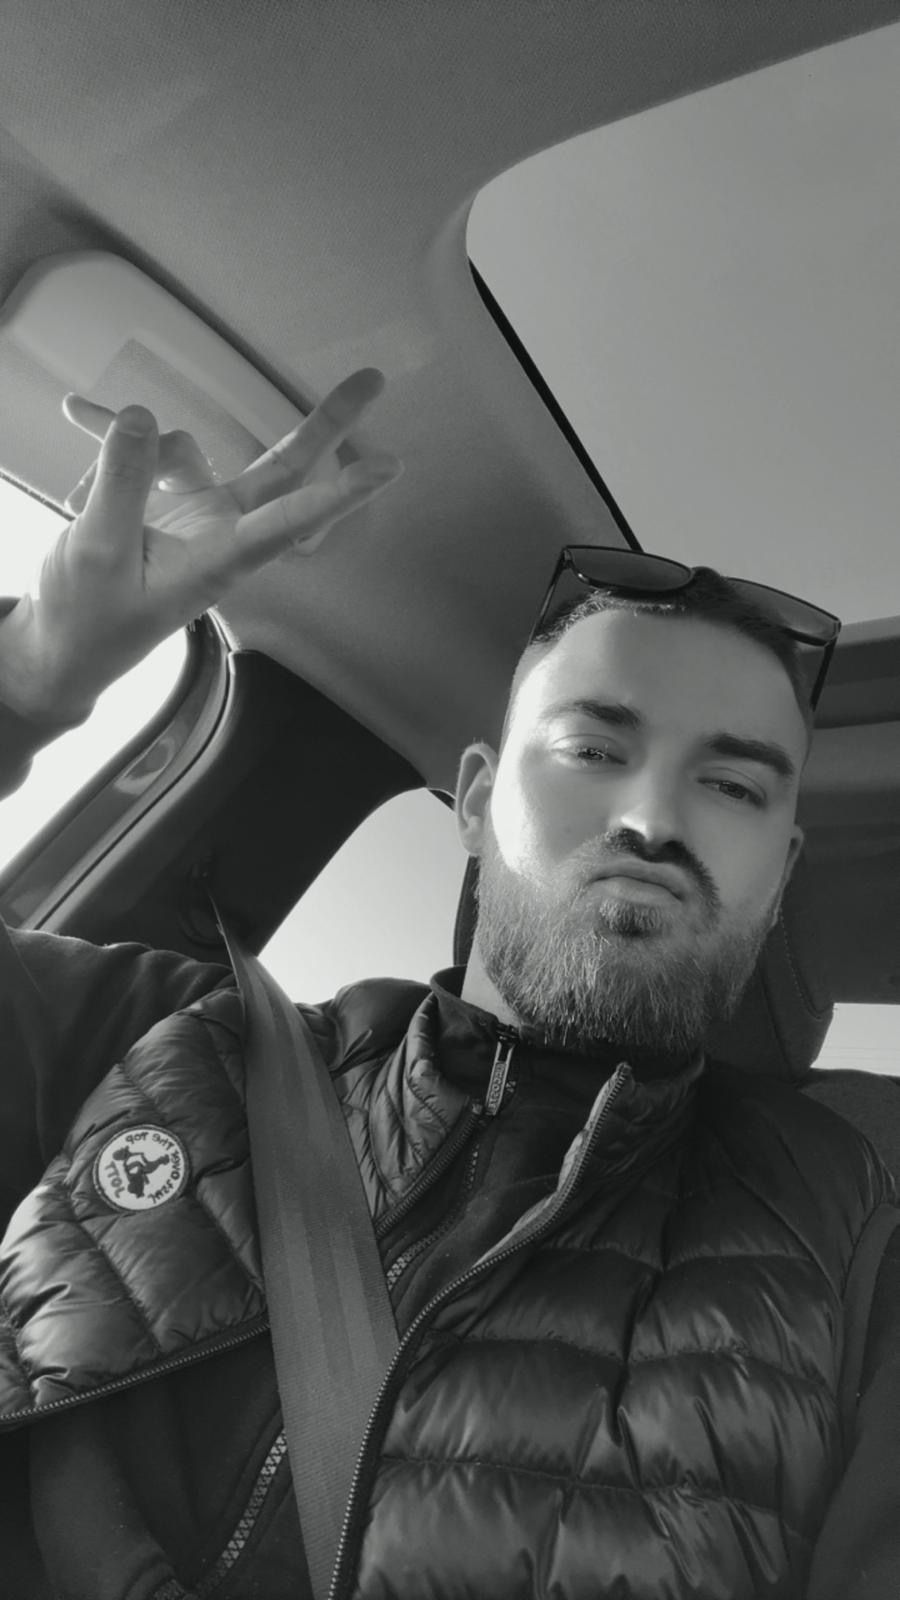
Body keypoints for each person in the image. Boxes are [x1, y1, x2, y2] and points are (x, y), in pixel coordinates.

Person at [0, 372, 897, 1600]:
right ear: (475, 800)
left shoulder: (852, 1232)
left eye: (733, 786)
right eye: (595, 748)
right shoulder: (176, 1040)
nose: (651, 818)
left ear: (779, 875)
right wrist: (24, 685)